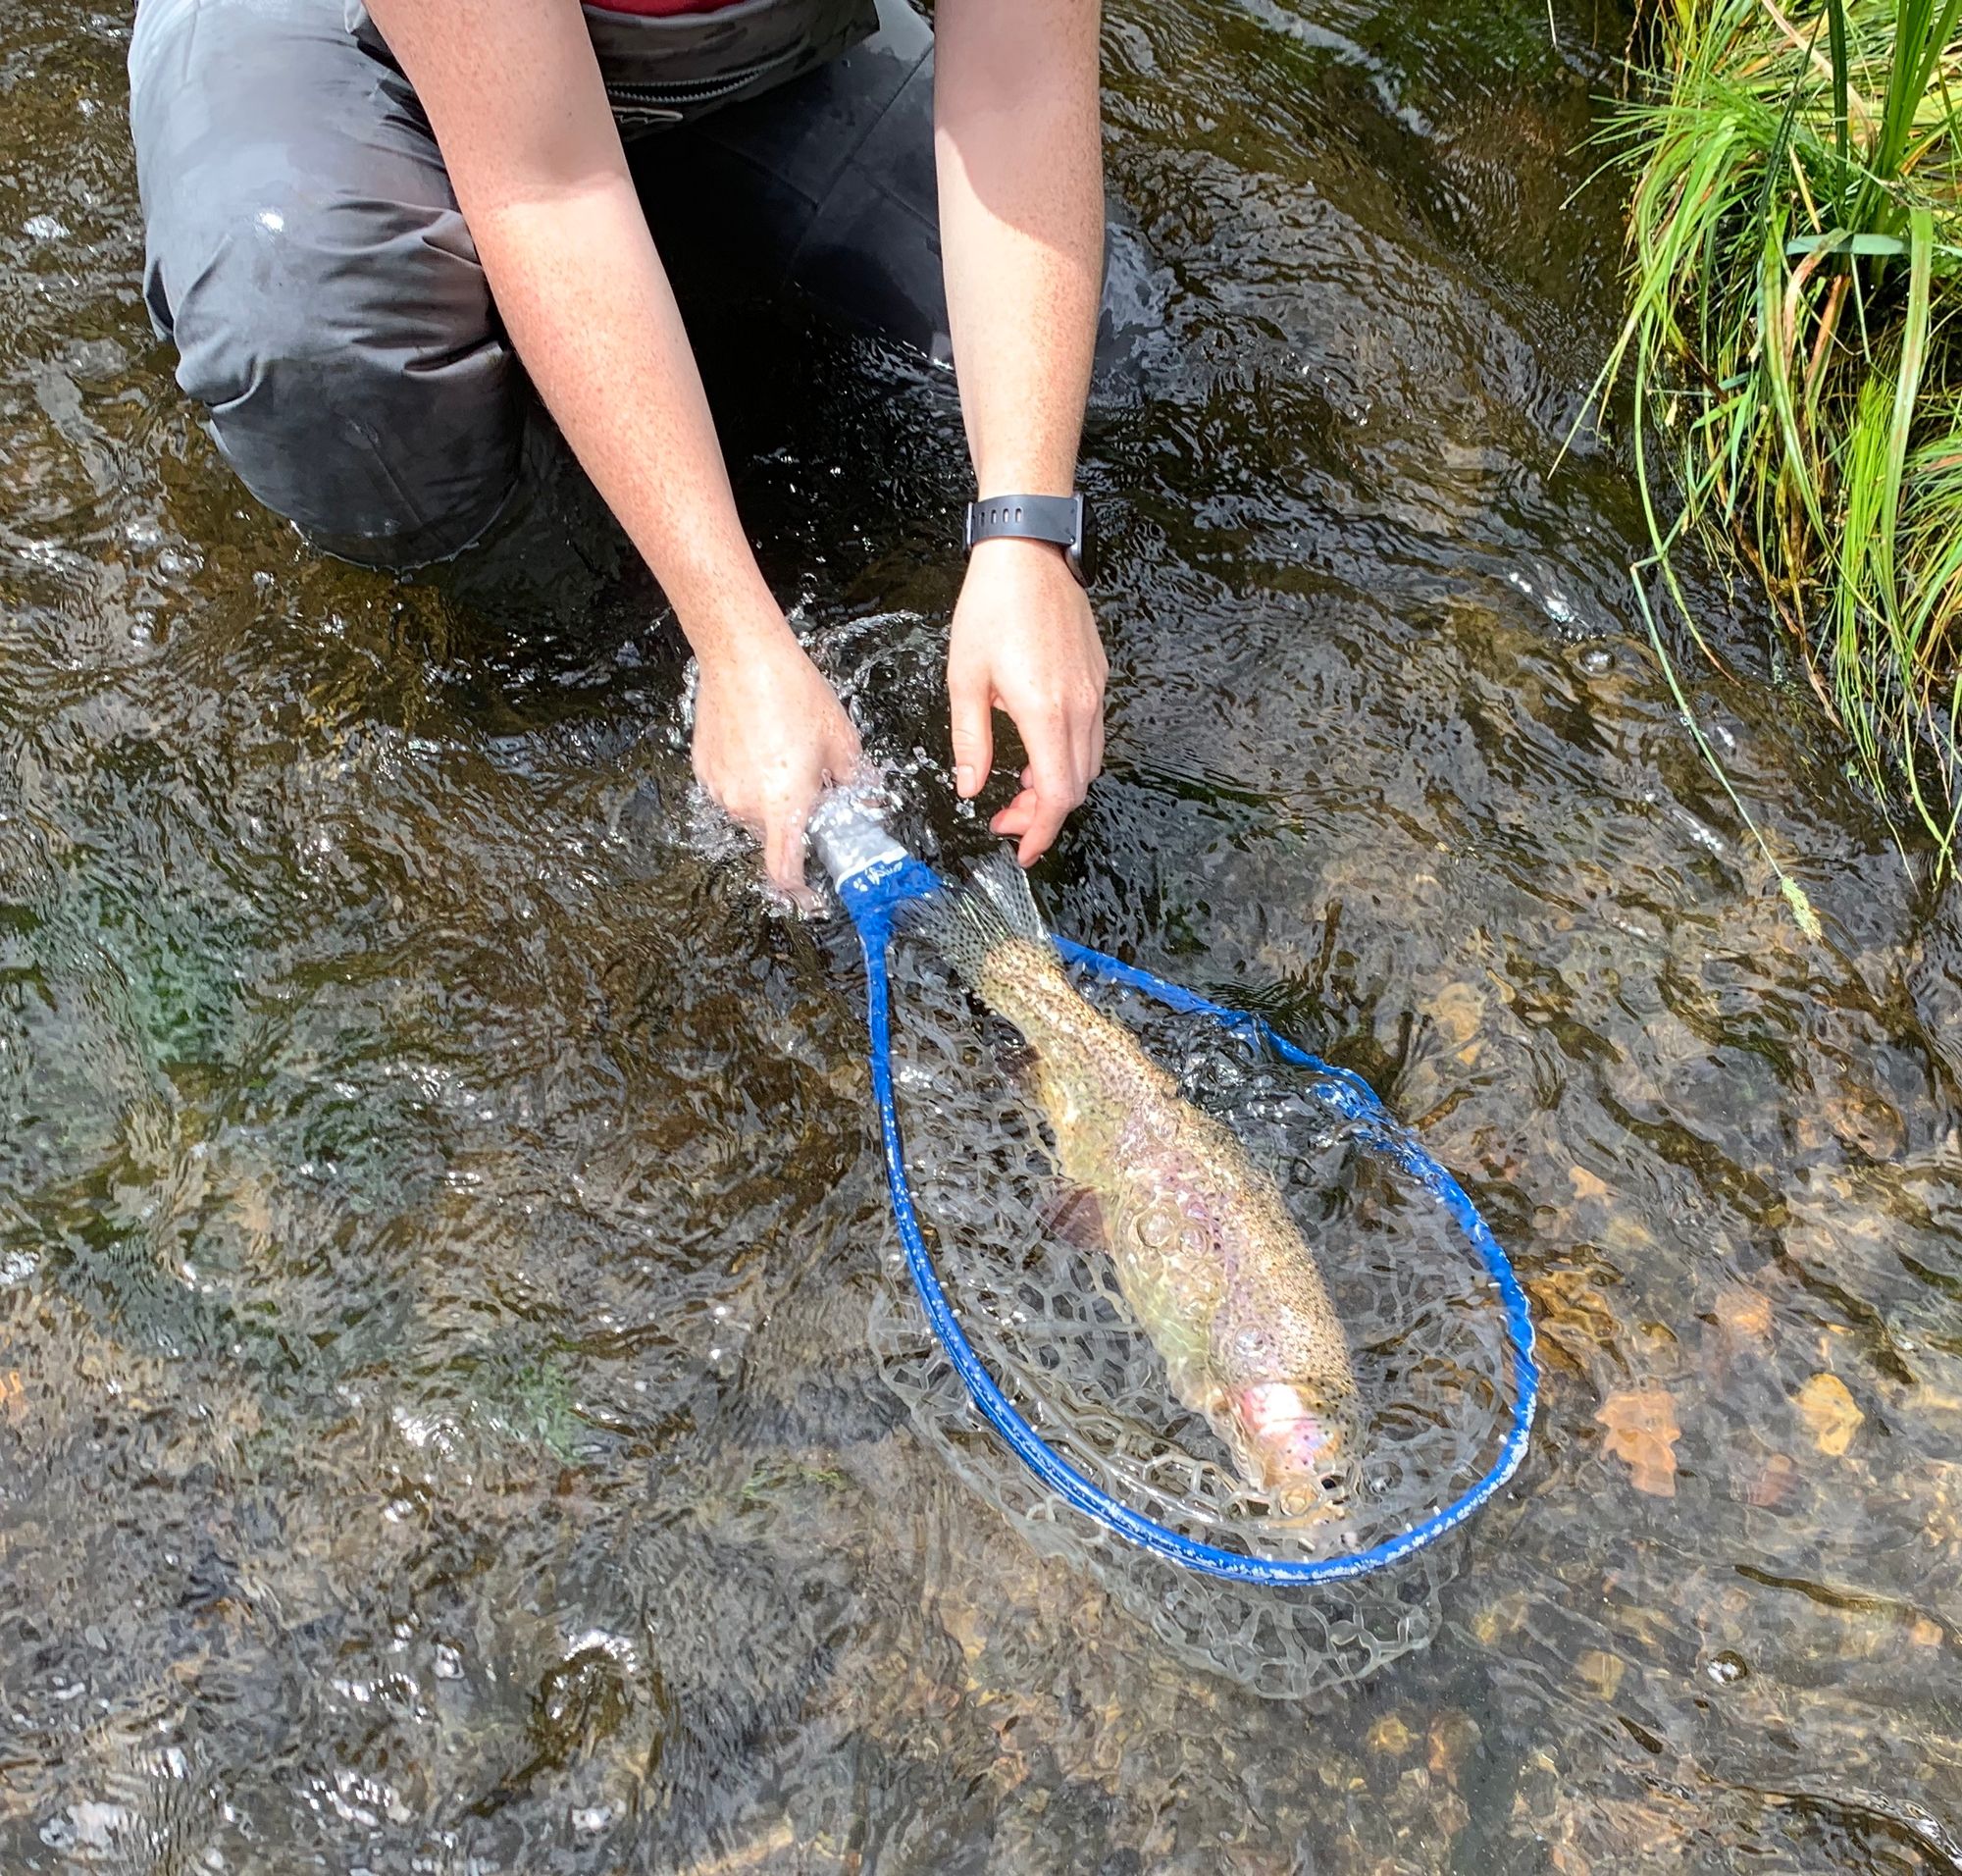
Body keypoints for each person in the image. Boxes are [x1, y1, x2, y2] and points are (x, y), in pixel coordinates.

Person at [128, 0, 1116, 901]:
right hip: (367, 41)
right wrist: (730, 636)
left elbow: (1021, 81)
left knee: (1098, 356)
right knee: (318, 352)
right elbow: (547, 184)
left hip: (720, 52)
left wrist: (1026, 528)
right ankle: (564, 629)